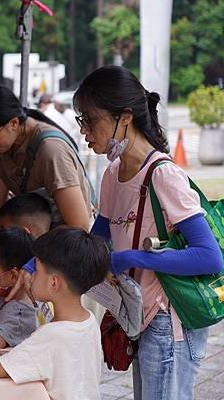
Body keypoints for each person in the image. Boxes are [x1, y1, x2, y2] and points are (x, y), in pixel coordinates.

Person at [75, 65, 223, 400]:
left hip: (170, 320)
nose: (85, 131)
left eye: (90, 120)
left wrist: (130, 257)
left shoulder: (163, 175)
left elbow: (209, 257)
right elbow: (99, 237)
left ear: (124, 117)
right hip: (137, 313)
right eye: (81, 121)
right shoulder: (114, 174)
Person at [0, 227, 110, 400]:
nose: (30, 277)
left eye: (36, 271)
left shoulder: (52, 334)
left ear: (54, 283)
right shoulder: (89, 320)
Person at [0, 84, 93, 252]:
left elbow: (78, 226)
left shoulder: (51, 151)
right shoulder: (0, 147)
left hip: (65, 252)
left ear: (14, 123)